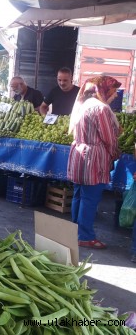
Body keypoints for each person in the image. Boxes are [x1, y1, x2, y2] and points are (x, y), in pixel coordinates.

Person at [67, 75, 122, 249]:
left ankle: (75, 231)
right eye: (112, 91)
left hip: (79, 155)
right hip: (93, 157)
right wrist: (115, 153)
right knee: (89, 198)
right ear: (103, 90)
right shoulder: (101, 109)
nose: (114, 95)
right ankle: (85, 236)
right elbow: (108, 138)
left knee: (79, 195)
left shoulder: (83, 105)